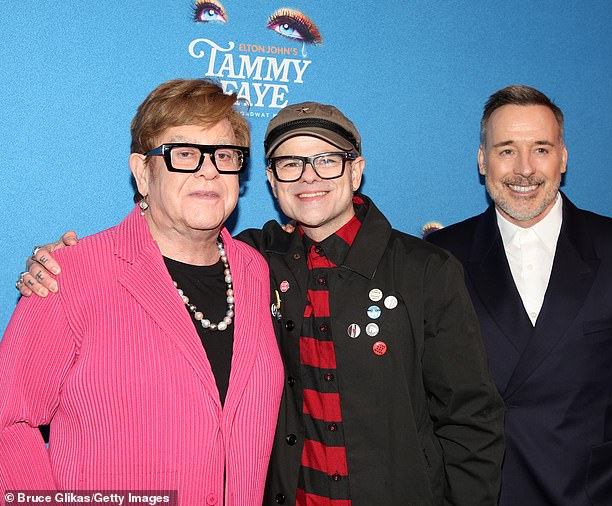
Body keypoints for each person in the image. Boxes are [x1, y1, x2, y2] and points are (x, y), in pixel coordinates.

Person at [16, 101, 505, 505]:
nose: (308, 177)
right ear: (270, 181)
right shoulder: (259, 261)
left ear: (356, 170)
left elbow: (470, 421)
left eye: (327, 159)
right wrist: (61, 263)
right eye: (290, 163)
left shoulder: (423, 269)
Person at [2, 78, 284, 504]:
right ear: (142, 172)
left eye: (224, 155)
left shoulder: (253, 272)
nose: (208, 169)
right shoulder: (70, 274)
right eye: (185, 153)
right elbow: (7, 419)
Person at [426, 84, 612, 505]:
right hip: (480, 493)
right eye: (506, 150)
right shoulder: (438, 257)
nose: (524, 169)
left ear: (563, 157)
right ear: (482, 161)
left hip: (594, 492)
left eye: (540, 149)